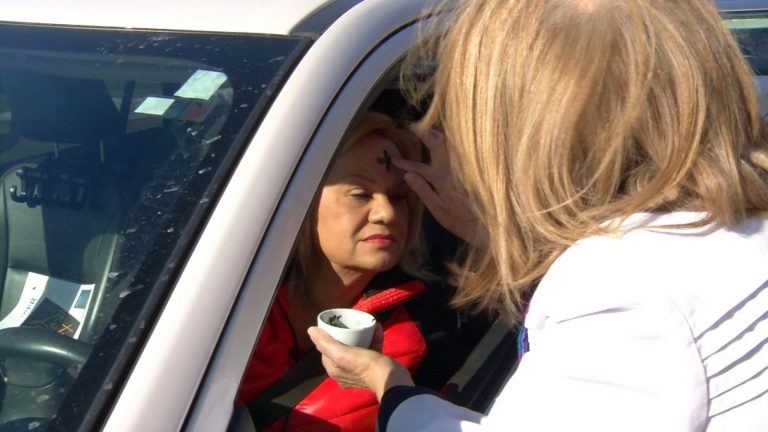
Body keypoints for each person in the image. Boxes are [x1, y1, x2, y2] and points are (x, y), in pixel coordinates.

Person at [308, 0, 768, 431]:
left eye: (467, 121)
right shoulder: (719, 236)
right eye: (359, 192)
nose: (461, 149)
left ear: (527, 131)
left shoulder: (625, 287)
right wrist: (503, 238)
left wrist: (391, 387)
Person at [237, 112, 459, 431]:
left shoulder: (429, 329)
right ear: (304, 202)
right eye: (360, 194)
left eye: (399, 197)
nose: (386, 213)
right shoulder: (229, 304)